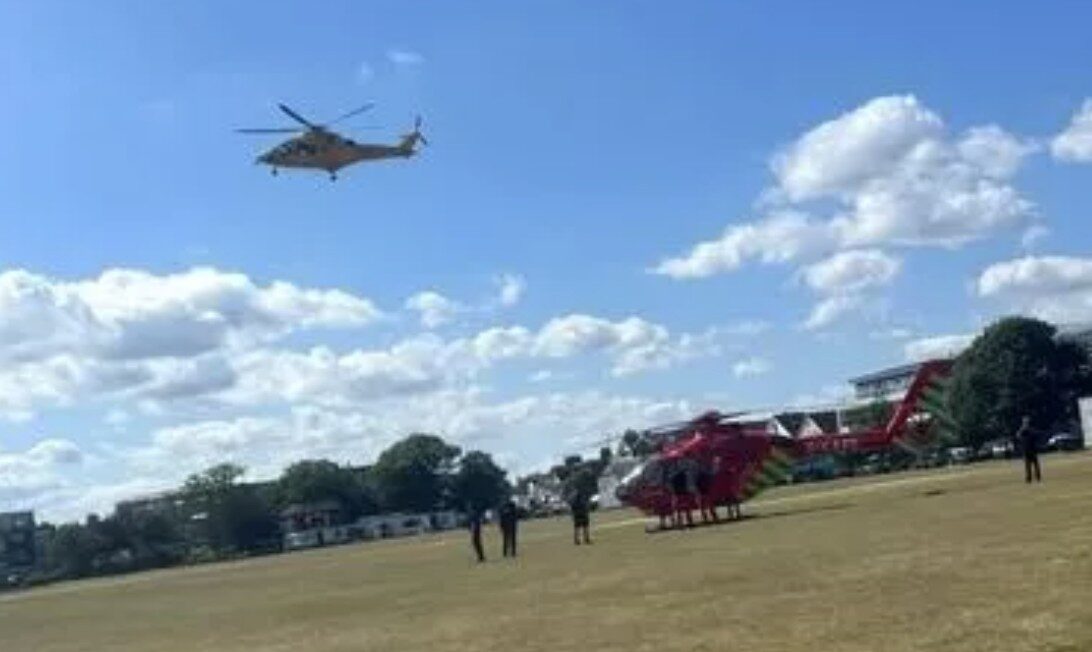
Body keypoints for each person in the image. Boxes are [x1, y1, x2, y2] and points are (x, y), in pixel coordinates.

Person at [1015, 416, 1043, 483]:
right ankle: (1029, 478)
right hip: (1027, 450)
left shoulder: (1030, 430)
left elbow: (1035, 436)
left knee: (1035, 465)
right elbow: (1018, 436)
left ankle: (1037, 477)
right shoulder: (1022, 431)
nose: (1026, 423)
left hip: (1032, 450)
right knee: (1028, 466)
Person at [696, 458, 719, 524]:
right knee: (708, 505)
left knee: (705, 506)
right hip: (704, 490)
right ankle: (712, 517)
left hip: (703, 490)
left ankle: (708, 518)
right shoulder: (705, 472)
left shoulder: (701, 473)